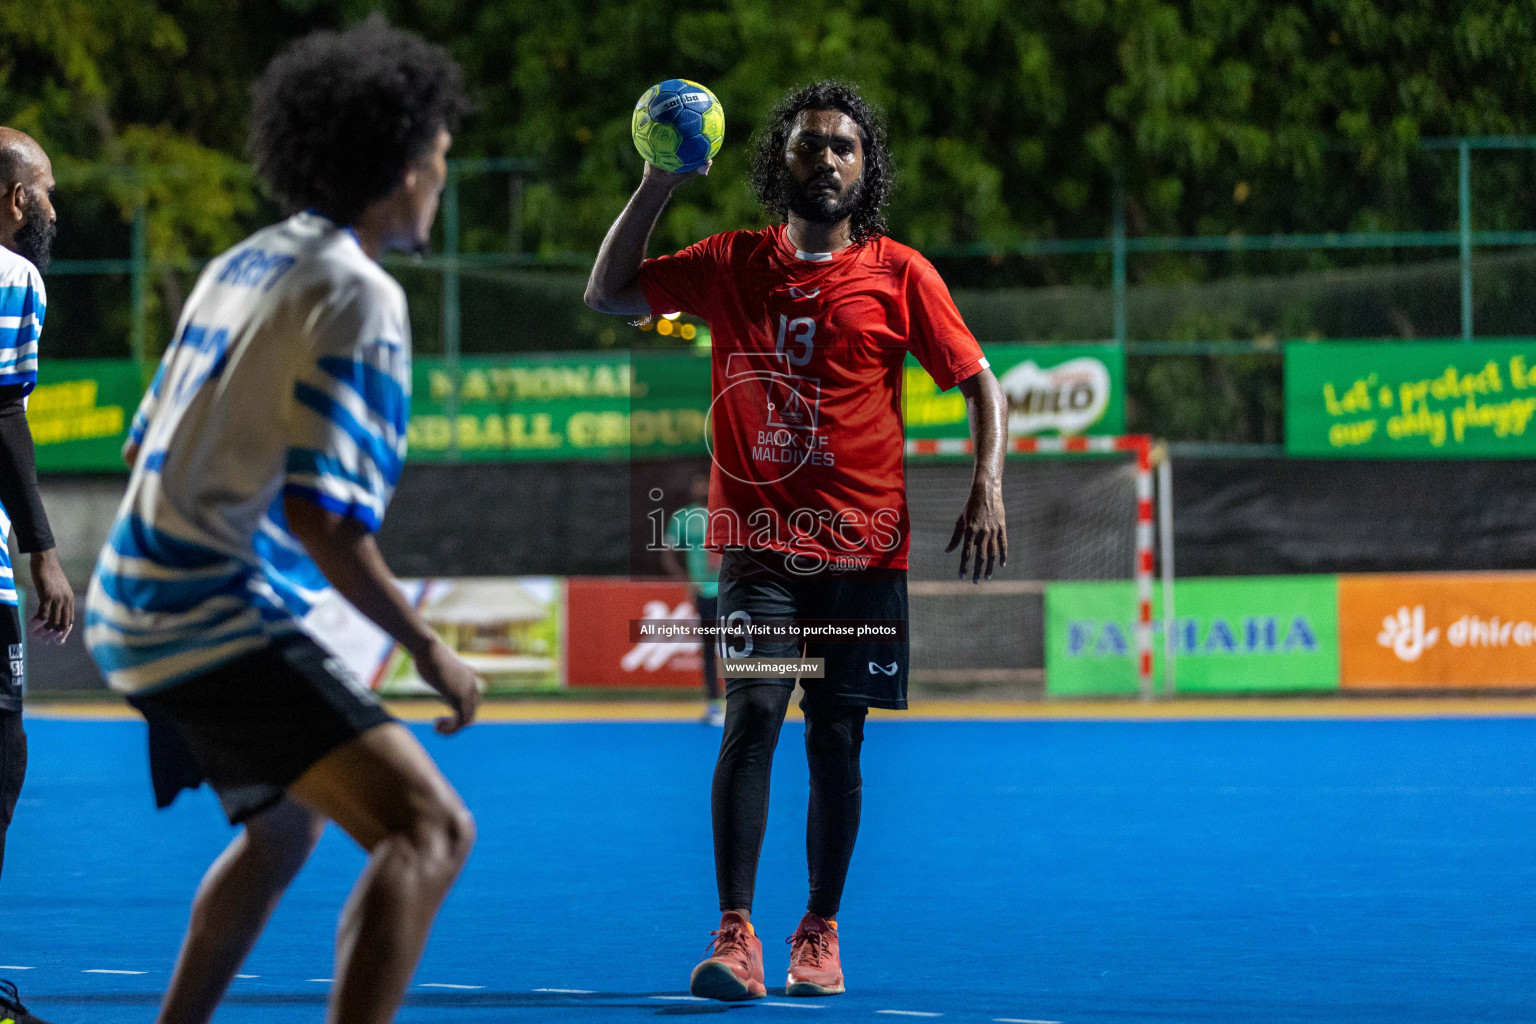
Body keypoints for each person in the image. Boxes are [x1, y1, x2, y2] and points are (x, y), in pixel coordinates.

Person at [84, 20, 480, 1024]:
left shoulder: (245, 261)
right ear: (398, 166)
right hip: (195, 616)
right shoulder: (361, 298)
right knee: (430, 829)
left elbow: (143, 452)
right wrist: (428, 644)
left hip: (126, 604)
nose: (442, 176)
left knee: (282, 836)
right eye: (438, 158)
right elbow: (324, 517)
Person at [586, 81, 1008, 1001]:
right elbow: (610, 290)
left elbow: (980, 383)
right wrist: (660, 180)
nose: (827, 159)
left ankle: (818, 932)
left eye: (846, 147)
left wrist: (987, 481)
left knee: (837, 741)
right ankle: (734, 934)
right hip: (759, 548)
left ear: (868, 168)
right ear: (779, 159)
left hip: (864, 555)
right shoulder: (731, 262)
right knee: (753, 715)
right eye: (810, 144)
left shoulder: (902, 274)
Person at [0, 127, 72, 1024]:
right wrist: (42, 546)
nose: (53, 206)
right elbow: (3, 408)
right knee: (0, 763)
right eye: (47, 189)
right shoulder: (14, 279)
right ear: (16, 199)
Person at [660, 471, 724, 725]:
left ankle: (746, 703)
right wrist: (687, 581)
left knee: (738, 649)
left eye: (706, 482)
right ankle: (713, 704)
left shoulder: (725, 513)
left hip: (730, 590)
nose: (701, 487)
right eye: (697, 482)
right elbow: (667, 554)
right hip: (703, 592)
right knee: (710, 648)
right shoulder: (682, 518)